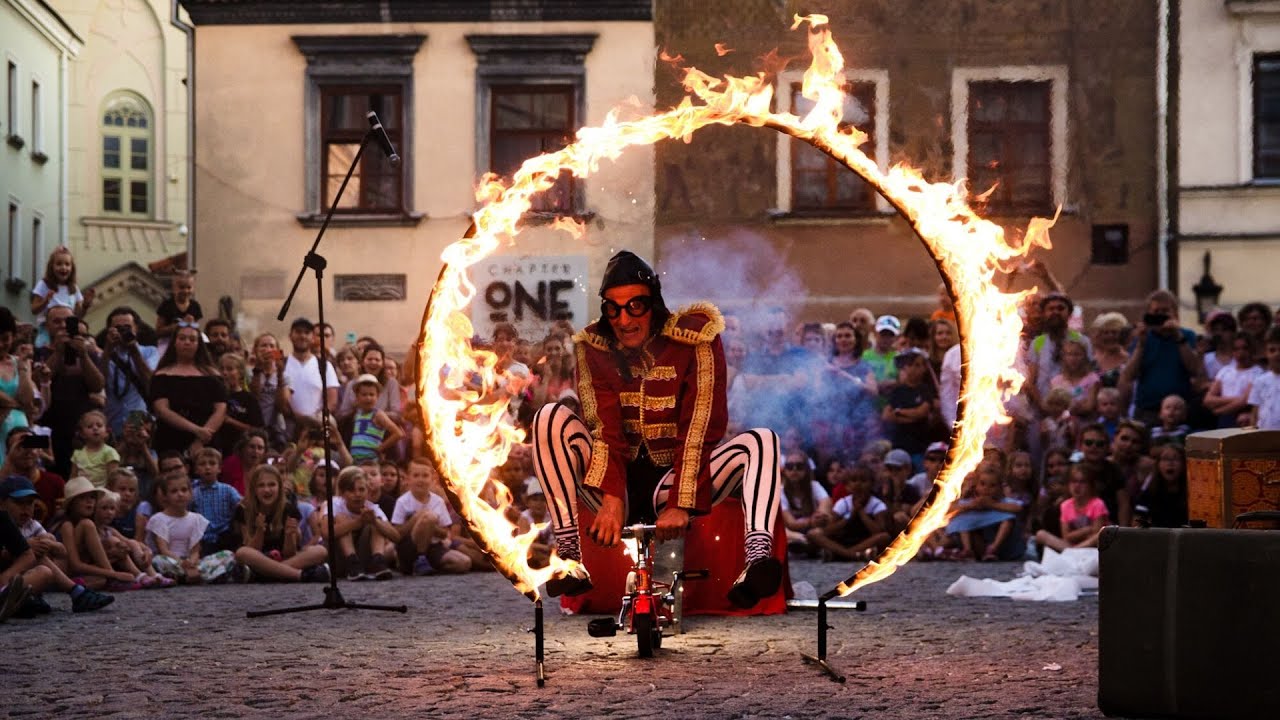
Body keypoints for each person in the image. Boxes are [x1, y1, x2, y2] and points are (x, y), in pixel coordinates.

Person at [530, 250, 783, 608]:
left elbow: (701, 426)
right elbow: (605, 430)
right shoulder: (593, 347)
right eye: (613, 308)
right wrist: (613, 497)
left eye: (635, 306)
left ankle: (757, 559)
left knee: (763, 442)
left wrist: (681, 503)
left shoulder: (696, 338)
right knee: (548, 417)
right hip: (613, 484)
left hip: (676, 481)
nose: (624, 319)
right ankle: (569, 557)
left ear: (654, 304)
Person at [0, 476, 116, 616]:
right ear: (2, 503)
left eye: (30, 503)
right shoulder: (65, 524)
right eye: (19, 503)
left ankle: (22, 601)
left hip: (17, 579)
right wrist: (23, 548)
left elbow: (62, 553)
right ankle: (76, 592)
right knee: (35, 554)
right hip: (6, 576)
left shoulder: (31, 525)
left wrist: (48, 544)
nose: (25, 508)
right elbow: (74, 564)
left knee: (44, 571)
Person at [1120, 290, 1206, 427]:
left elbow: (1195, 369)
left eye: (1165, 311)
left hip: (1178, 411)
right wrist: (1141, 345)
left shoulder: (1186, 335)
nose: (1160, 316)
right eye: (1156, 312)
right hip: (1147, 411)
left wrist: (1178, 337)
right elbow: (1129, 376)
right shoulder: (1143, 338)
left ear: (1175, 313)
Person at [232, 464, 329, 583]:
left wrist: (289, 535)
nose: (267, 490)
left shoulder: (289, 509)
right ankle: (299, 575)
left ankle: (265, 574)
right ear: (254, 489)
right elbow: (251, 548)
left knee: (320, 551)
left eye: (271, 484)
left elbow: (290, 553)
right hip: (259, 557)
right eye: (261, 485)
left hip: (284, 557)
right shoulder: (244, 509)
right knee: (242, 553)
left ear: (279, 487)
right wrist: (259, 531)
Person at [38, 305, 104, 477]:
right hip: (46, 431)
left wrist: (83, 355)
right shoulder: (39, 353)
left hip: (79, 435)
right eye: (56, 321)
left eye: (66, 321)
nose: (61, 325)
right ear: (47, 326)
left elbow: (98, 385)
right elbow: (36, 384)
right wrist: (59, 352)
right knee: (48, 478)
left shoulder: (87, 353)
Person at [150, 322, 227, 456]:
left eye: (192, 339)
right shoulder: (162, 375)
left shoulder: (213, 375)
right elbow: (162, 410)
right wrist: (195, 430)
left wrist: (201, 439)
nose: (187, 342)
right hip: (172, 439)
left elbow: (220, 410)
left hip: (206, 440)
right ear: (174, 342)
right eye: (182, 338)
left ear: (199, 344)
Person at [51, 476, 139, 590]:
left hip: (78, 572)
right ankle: (112, 578)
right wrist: (114, 574)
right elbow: (75, 565)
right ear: (72, 504)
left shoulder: (91, 524)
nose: (89, 501)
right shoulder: (67, 525)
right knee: (87, 524)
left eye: (92, 497)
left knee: (100, 579)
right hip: (63, 572)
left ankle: (138, 575)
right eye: (83, 498)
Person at [391, 457, 471, 576]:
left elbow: (445, 533)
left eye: (425, 475)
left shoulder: (438, 501)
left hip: (434, 546)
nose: (420, 480)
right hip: (410, 546)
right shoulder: (402, 502)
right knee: (429, 517)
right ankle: (419, 558)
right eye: (416, 475)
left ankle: (428, 564)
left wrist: (429, 526)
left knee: (464, 563)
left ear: (432, 478)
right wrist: (416, 519)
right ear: (408, 479)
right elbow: (397, 533)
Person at [322, 466, 397, 581]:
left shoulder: (371, 507)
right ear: (342, 493)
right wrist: (357, 522)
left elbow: (396, 536)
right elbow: (326, 533)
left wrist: (375, 521)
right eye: (351, 490)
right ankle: (352, 561)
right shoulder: (335, 504)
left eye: (361, 490)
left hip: (362, 556)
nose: (357, 494)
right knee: (342, 518)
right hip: (337, 557)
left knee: (376, 522)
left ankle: (378, 561)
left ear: (367, 491)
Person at [805, 464, 890, 561]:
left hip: (865, 541)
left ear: (871, 484)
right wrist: (849, 517)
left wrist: (861, 512)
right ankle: (854, 555)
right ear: (847, 486)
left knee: (884, 537)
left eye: (863, 481)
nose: (858, 484)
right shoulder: (843, 503)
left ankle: (839, 554)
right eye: (854, 481)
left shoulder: (877, 505)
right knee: (813, 534)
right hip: (843, 541)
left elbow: (878, 531)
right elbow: (830, 529)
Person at [1023, 292, 1091, 411]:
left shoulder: (1081, 341)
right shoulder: (1037, 343)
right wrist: (1044, 407)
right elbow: (1031, 383)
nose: (1055, 312)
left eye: (1060, 308)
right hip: (1044, 411)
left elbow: (1090, 375)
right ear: (1044, 314)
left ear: (1069, 313)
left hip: (1075, 410)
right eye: (1051, 309)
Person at [100, 306, 159, 438]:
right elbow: (98, 384)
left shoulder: (149, 352)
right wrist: (108, 350)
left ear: (136, 329)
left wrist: (133, 350)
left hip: (137, 415)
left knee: (135, 446)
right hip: (109, 420)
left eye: (127, 327)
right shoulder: (103, 356)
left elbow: (150, 381)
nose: (122, 331)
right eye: (118, 328)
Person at [944, 466, 1024, 561]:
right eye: (982, 484)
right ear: (976, 486)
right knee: (961, 518)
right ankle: (967, 550)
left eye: (992, 485)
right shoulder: (971, 501)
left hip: (1003, 546)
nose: (986, 488)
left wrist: (992, 504)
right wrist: (970, 506)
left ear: (999, 488)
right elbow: (949, 510)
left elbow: (1018, 507)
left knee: (1009, 518)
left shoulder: (1003, 501)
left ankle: (993, 548)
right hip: (978, 543)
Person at [147, 470, 213, 584]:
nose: (180, 494)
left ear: (191, 493)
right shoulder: (159, 519)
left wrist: (191, 563)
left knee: (227, 555)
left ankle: (191, 575)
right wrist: (182, 563)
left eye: (184, 490)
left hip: (190, 562)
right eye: (174, 491)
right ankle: (189, 576)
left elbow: (195, 550)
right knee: (157, 561)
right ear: (165, 496)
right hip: (172, 561)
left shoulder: (196, 519)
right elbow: (163, 550)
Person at [282, 318, 340, 434]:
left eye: (307, 333)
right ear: (290, 336)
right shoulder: (282, 364)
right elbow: (282, 401)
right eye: (298, 332)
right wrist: (299, 418)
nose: (302, 336)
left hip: (317, 428)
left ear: (313, 337)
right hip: (289, 427)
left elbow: (332, 401)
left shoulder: (324, 366)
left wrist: (315, 420)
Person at [1034, 464, 1109, 553]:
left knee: (1102, 534)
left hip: (1093, 549)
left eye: (1082, 482)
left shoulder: (1097, 504)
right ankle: (1073, 552)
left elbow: (1097, 534)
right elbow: (1066, 537)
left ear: (1090, 485)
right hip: (1070, 547)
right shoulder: (1065, 505)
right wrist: (1086, 530)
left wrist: (1077, 541)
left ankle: (1074, 552)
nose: (1077, 486)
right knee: (1040, 534)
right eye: (1074, 482)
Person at [1, 428, 66, 524]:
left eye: (32, 444)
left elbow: (61, 520)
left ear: (40, 450)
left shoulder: (55, 482)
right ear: (8, 452)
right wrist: (9, 458)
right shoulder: (4, 482)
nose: (27, 451)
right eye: (20, 446)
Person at [189, 447, 242, 554]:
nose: (207, 467)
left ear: (219, 468)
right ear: (196, 470)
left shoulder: (228, 490)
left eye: (212, 463)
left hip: (224, 537)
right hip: (202, 539)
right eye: (202, 464)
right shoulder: (193, 492)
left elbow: (242, 504)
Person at [1204, 334, 1264, 428]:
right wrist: (1238, 399)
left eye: (1245, 348)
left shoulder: (1258, 373)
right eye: (1236, 349)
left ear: (1252, 350)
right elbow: (1208, 399)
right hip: (1225, 417)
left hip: (1243, 417)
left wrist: (1217, 411)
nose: (1241, 353)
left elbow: (1244, 402)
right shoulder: (1225, 371)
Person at [341, 374, 404, 463]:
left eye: (372, 395)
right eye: (364, 394)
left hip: (371, 460)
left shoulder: (378, 415)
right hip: (355, 459)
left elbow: (398, 433)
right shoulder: (357, 414)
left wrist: (380, 448)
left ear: (377, 396)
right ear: (357, 397)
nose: (368, 398)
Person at [779, 450, 832, 556]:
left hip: (814, 528)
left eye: (799, 466)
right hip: (792, 532)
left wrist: (819, 518)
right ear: (785, 470)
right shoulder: (780, 491)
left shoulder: (815, 486)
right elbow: (791, 523)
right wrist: (812, 520)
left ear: (806, 469)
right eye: (790, 466)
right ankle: (807, 542)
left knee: (820, 529)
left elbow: (825, 508)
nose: (794, 470)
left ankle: (806, 543)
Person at [30, 246, 93, 327]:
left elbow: (78, 316)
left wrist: (85, 306)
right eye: (59, 264)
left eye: (67, 264)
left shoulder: (73, 288)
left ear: (72, 268)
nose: (63, 267)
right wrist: (45, 301)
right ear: (51, 267)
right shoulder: (44, 284)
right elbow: (34, 310)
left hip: (69, 328)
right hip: (48, 328)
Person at [214, 352, 263, 456]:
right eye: (222, 369)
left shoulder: (248, 399)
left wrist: (230, 421)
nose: (225, 373)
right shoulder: (213, 396)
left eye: (230, 369)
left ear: (240, 373)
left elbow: (257, 429)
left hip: (240, 452)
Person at [1133, 445, 1188, 529]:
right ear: (1158, 464)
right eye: (1165, 459)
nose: (1170, 463)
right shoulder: (1149, 492)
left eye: (1176, 459)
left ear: (1184, 464)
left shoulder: (1192, 494)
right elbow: (1136, 521)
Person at [70, 410, 120, 488]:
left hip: (104, 494)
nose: (95, 428)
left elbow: (113, 480)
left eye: (99, 425)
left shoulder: (110, 452)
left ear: (106, 432)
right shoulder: (77, 453)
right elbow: (73, 478)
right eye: (89, 426)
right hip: (82, 494)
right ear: (82, 434)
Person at [153, 270, 202, 343]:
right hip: (168, 342)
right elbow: (158, 332)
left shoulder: (195, 306)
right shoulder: (166, 305)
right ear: (174, 288)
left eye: (189, 288)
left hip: (188, 342)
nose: (185, 291)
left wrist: (193, 325)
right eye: (181, 287)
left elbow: (196, 330)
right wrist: (180, 324)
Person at [1247, 326, 1280, 430]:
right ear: (1266, 353)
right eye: (1272, 350)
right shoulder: (1260, 381)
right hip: (1265, 438)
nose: (1277, 354)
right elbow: (1255, 414)